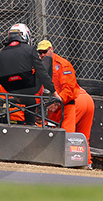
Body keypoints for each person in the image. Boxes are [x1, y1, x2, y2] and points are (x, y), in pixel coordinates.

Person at [37, 39, 95, 167]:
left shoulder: (62, 64)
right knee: (82, 137)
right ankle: (87, 164)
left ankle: (67, 163)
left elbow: (69, 89)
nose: (42, 55)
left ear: (51, 49)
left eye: (44, 52)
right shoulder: (45, 65)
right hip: (84, 99)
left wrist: (58, 102)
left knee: (63, 134)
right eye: (39, 52)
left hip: (74, 100)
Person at [0, 23, 61, 125]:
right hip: (29, 87)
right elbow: (41, 72)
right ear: (25, 35)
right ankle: (46, 92)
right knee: (47, 60)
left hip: (10, 88)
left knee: (31, 101)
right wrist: (53, 91)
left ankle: (29, 121)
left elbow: (1, 73)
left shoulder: (1, 53)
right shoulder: (29, 50)